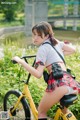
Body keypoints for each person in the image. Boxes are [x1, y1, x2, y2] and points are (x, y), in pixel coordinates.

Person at [12, 21, 80, 120]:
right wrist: (53, 57)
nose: (35, 38)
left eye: (39, 35)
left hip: (59, 84)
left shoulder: (43, 48)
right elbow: (72, 50)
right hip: (71, 83)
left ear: (47, 35)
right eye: (34, 35)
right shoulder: (56, 43)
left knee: (41, 113)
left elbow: (38, 74)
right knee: (64, 112)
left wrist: (21, 61)